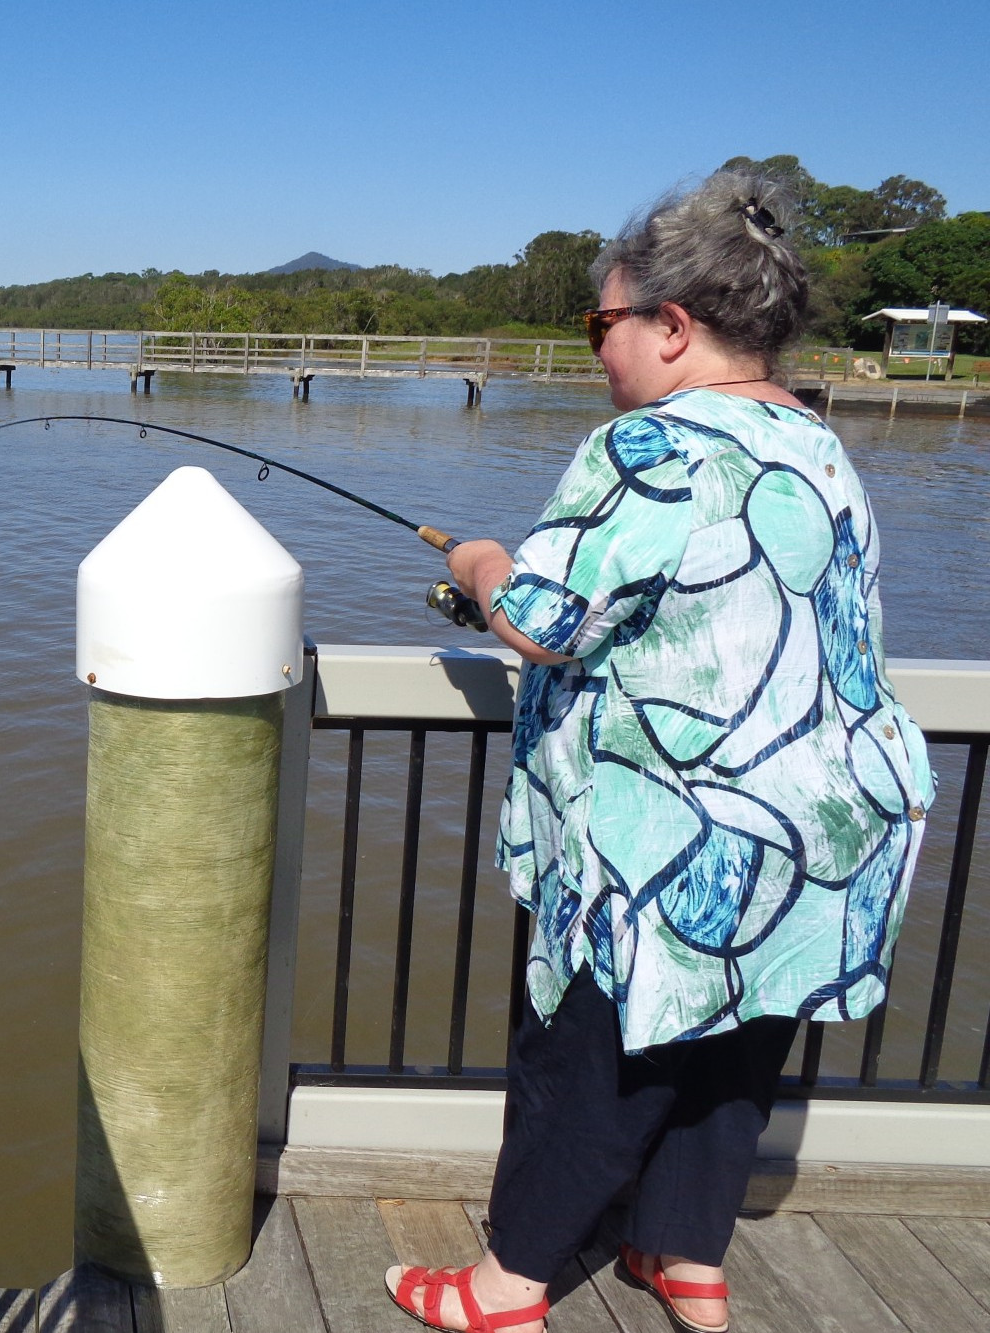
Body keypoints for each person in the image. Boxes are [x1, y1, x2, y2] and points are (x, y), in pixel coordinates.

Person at [384, 172, 936, 1333]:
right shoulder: (816, 445)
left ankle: (504, 1286)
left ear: (671, 327)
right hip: (824, 830)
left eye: (602, 325)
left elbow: (541, 619)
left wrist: (481, 561)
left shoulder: (646, 446)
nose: (596, 352)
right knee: (732, 1050)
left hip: (671, 839)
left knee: (590, 1059)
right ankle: (680, 1255)